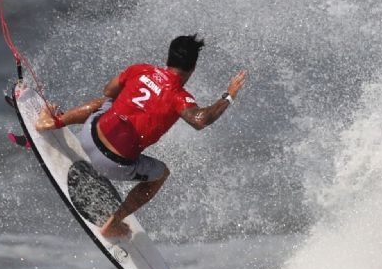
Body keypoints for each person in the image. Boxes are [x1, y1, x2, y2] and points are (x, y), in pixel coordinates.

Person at [35, 35, 247, 239]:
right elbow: (200, 120)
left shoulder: (141, 70)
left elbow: (108, 89)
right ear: (192, 69)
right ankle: (114, 222)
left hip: (88, 136)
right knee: (161, 174)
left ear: (168, 58)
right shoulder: (179, 97)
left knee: (107, 102)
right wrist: (228, 96)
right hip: (113, 165)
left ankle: (54, 122)